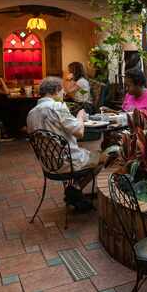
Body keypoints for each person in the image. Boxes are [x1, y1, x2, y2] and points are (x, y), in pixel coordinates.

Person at [27, 77, 102, 208]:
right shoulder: (57, 107)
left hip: (49, 164)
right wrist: (80, 116)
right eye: (62, 91)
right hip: (68, 162)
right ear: (56, 91)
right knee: (106, 156)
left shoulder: (31, 114)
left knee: (86, 153)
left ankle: (75, 192)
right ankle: (75, 188)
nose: (64, 94)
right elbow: (79, 132)